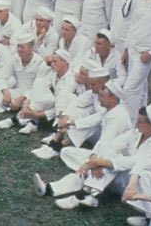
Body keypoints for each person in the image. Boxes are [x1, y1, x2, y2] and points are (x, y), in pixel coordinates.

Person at [34, 103, 151, 207]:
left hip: (132, 183)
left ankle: (83, 194)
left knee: (111, 163)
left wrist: (99, 163)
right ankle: (50, 188)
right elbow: (111, 145)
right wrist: (94, 161)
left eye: (140, 122)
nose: (136, 124)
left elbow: (135, 162)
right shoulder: (136, 132)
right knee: (73, 154)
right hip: (113, 172)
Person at [35, 81, 133, 209]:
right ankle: (50, 188)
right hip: (103, 158)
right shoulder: (111, 110)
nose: (99, 99)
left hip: (116, 170)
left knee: (87, 171)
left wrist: (92, 163)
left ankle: (84, 195)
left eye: (102, 97)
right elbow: (92, 120)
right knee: (67, 152)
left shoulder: (119, 117)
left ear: (113, 99)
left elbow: (107, 145)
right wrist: (69, 122)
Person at [0, 30, 46, 116]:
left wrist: (21, 99)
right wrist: (5, 91)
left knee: (39, 103)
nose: (19, 50)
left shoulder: (40, 62)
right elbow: (2, 77)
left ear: (31, 47)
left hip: (32, 96)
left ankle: (15, 106)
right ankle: (14, 107)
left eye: (22, 47)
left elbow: (39, 87)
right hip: (17, 92)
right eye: (18, 46)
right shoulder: (14, 59)